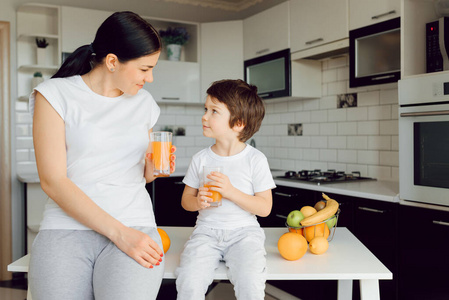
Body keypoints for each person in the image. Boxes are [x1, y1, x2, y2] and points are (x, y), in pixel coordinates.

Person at [28, 11, 176, 300]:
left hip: (135, 222)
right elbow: (53, 181)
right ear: (111, 62)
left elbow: (141, 175)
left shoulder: (144, 103)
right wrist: (120, 234)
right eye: (145, 69)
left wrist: (153, 167)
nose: (151, 78)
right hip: (66, 226)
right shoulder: (54, 95)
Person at [175, 79, 276, 300]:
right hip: (206, 232)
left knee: (250, 283)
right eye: (205, 109)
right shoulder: (200, 159)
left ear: (238, 123)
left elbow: (265, 208)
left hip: (244, 234)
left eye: (214, 111)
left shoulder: (255, 159)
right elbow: (186, 201)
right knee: (189, 281)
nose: (204, 116)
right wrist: (197, 201)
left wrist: (231, 191)